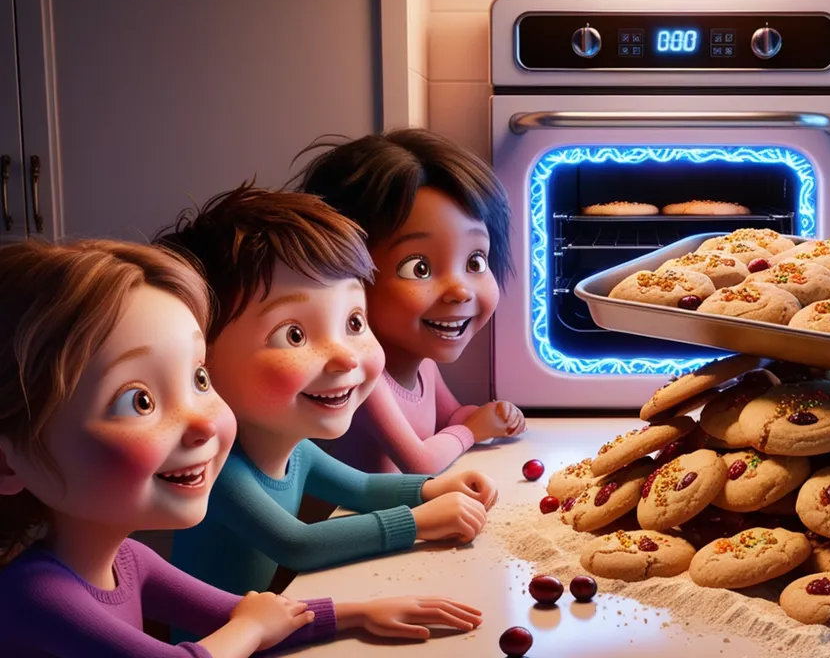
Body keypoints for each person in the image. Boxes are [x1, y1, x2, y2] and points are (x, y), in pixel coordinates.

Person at [0, 239, 482, 657]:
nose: (202, 422)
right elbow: (240, 627)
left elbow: (244, 613)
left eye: (198, 378)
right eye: (140, 401)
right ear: (7, 461)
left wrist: (359, 614)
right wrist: (252, 628)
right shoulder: (33, 593)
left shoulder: (128, 558)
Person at [155, 186, 496, 604]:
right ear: (201, 359)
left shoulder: (296, 451)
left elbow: (364, 489)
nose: (344, 357)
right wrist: (418, 522)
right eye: (294, 335)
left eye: (354, 322)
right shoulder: (218, 470)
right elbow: (297, 543)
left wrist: (432, 488)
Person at [291, 128, 524, 476]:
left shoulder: (422, 361)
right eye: (420, 268)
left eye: (475, 262)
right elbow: (418, 462)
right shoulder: (361, 375)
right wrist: (472, 431)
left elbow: (449, 418)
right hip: (352, 523)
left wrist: (486, 418)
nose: (459, 291)